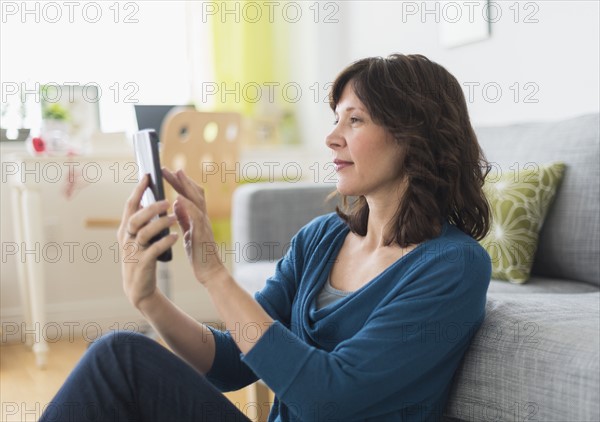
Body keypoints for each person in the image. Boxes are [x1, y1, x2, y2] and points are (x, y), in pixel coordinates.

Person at [40, 53, 491, 422]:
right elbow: (232, 363)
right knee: (118, 354)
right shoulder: (321, 239)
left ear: (415, 136)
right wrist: (148, 300)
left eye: (355, 121)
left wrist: (214, 274)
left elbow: (327, 399)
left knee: (119, 356)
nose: (332, 137)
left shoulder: (452, 265)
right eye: (336, 119)